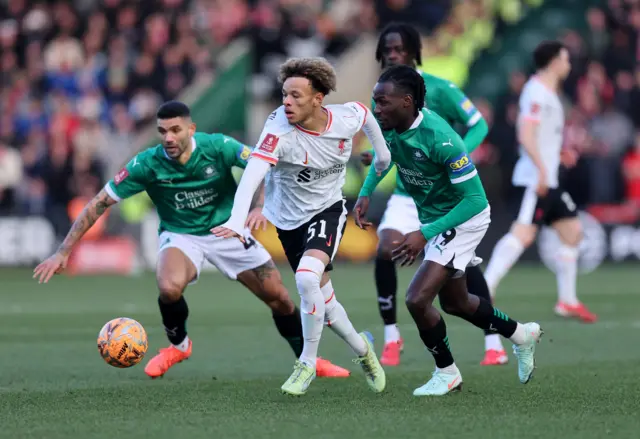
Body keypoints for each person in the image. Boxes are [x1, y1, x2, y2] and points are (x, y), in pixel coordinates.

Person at [33, 100, 350, 379]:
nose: (169, 138)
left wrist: (260, 205)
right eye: (162, 131)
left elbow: (267, 165)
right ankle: (178, 346)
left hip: (227, 231)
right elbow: (99, 202)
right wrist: (63, 252)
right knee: (168, 287)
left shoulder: (218, 147)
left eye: (175, 130)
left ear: (191, 129)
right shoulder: (146, 164)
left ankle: (310, 362)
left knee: (280, 298)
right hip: (181, 235)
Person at [354, 65, 542, 397]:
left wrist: (425, 233)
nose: (376, 109)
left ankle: (447, 371)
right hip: (437, 217)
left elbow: (474, 200)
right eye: (375, 101)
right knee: (457, 303)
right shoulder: (390, 126)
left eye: (383, 102)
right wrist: (366, 192)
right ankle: (521, 335)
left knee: (416, 299)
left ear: (407, 102)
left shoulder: (442, 139)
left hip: (463, 218)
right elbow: (384, 159)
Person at [213, 57, 390, 396]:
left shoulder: (344, 118)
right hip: (287, 221)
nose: (286, 102)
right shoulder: (278, 128)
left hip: (327, 210)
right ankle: (364, 352)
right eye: (284, 94)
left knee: (306, 278)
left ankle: (307, 363)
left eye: (295, 95)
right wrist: (237, 219)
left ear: (318, 98)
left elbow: (366, 115)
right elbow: (252, 174)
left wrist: (382, 157)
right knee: (324, 301)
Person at [360, 22, 507, 366]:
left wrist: (460, 157)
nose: (394, 54)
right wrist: (375, 166)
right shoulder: (381, 94)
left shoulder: (440, 90)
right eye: (388, 50)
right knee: (385, 250)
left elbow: (479, 125)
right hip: (407, 192)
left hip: (444, 195)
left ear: (414, 51)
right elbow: (390, 148)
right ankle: (392, 337)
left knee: (463, 271)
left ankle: (494, 341)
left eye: (399, 49)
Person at [483, 41, 597, 323]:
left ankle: (567, 301)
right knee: (523, 234)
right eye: (566, 59)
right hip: (537, 178)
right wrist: (542, 170)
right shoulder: (535, 92)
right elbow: (525, 134)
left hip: (550, 176)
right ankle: (485, 286)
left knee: (573, 233)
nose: (569, 65)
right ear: (555, 62)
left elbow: (541, 136)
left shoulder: (548, 92)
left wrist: (559, 154)